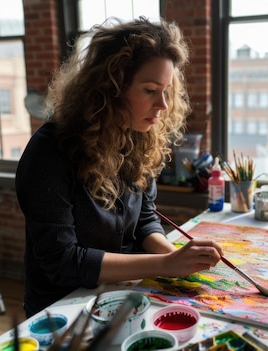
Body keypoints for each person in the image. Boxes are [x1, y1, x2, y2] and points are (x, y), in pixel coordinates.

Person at [15, 16, 223, 318]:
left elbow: (144, 221)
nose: (163, 105)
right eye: (150, 90)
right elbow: (62, 261)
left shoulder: (137, 139)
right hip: (62, 309)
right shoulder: (50, 152)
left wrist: (177, 257)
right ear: (109, 88)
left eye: (166, 90)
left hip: (118, 295)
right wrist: (166, 265)